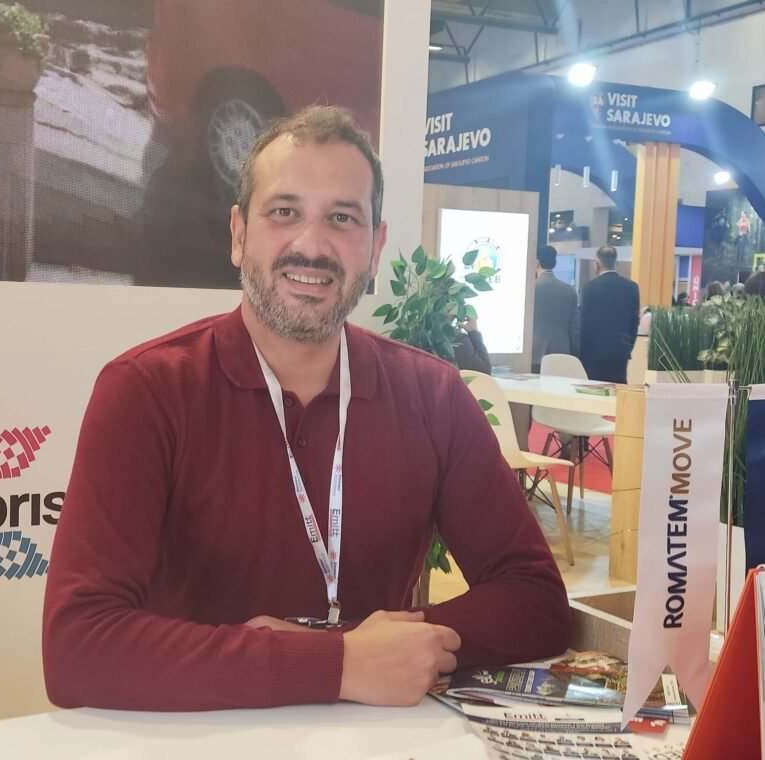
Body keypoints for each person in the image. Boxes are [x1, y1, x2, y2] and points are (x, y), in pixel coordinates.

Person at [42, 106, 569, 711]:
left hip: (375, 741)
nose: (311, 245)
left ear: (375, 247)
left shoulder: (433, 395)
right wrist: (338, 662)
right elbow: (77, 647)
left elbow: (536, 601)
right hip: (201, 737)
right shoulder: (146, 391)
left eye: (342, 218)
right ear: (239, 234)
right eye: (284, 212)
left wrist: (380, 652)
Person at [579, 246, 640, 384]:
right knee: (618, 390)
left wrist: (582, 352)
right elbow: (634, 322)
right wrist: (627, 346)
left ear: (597, 264)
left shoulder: (589, 288)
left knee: (594, 390)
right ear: (616, 263)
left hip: (593, 353)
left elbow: (584, 322)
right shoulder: (631, 287)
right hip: (620, 352)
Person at [532, 245, 579, 373]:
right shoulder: (569, 290)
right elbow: (574, 328)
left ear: (536, 263)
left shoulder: (530, 289)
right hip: (561, 353)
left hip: (533, 353)